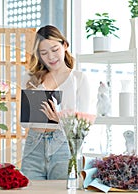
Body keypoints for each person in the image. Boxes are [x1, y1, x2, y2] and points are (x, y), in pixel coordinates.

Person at [21, 25, 90, 180]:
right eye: (44, 53)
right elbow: (25, 123)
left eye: (54, 49)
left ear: (64, 46)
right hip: (34, 145)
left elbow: (84, 125)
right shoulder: (31, 78)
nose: (51, 57)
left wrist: (61, 119)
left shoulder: (79, 79)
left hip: (63, 145)